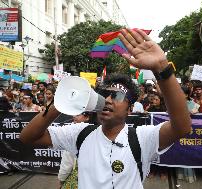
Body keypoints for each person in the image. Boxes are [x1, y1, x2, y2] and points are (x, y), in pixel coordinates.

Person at [20, 28, 191, 189]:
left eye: (117, 96)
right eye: (104, 94)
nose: (108, 99)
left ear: (129, 109)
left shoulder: (142, 137)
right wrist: (58, 105)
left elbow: (182, 127)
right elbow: (27, 137)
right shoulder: (80, 133)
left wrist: (161, 66)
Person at [58, 112, 92, 189]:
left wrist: (61, 180)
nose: (73, 116)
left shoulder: (73, 135)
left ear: (87, 117)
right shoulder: (99, 132)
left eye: (78, 114)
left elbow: (67, 164)